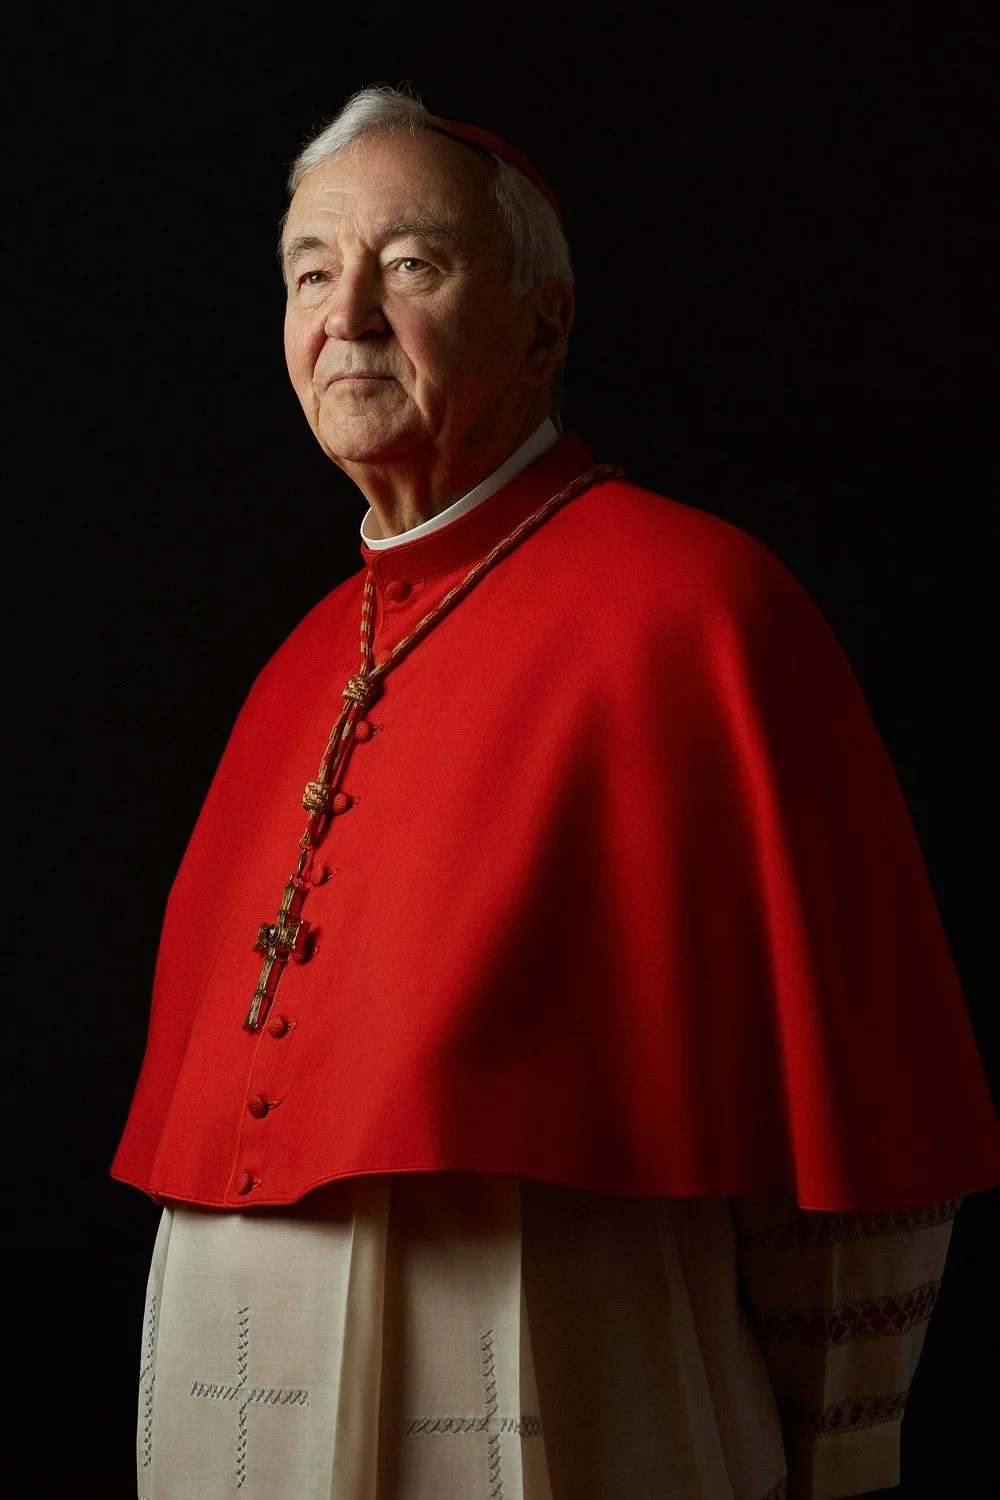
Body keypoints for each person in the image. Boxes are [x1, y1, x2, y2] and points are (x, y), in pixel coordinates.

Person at [113, 85, 1000, 1500]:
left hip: (566, 1361)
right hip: (231, 1396)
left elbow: (860, 1094)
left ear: (543, 327)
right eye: (310, 273)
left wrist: (834, 1439)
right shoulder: (298, 662)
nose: (347, 315)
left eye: (410, 264)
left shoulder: (703, 609)